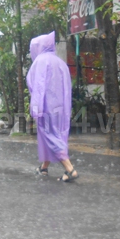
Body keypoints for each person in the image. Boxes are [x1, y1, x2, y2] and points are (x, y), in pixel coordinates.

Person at [26, 31, 78, 182]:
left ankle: (70, 169)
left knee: (50, 135)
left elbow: (39, 86)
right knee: (55, 134)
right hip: (61, 107)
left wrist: (35, 107)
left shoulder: (41, 61)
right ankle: (44, 167)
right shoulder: (59, 62)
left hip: (46, 106)